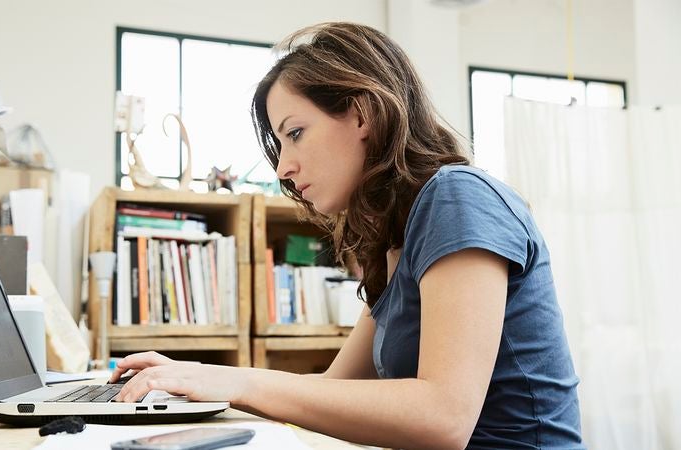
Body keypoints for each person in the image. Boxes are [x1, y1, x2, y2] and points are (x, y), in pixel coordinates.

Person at [112, 22, 584, 449]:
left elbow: (444, 418)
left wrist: (234, 380)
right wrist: (193, 384)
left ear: (363, 115)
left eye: (295, 133)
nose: (283, 167)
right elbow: (333, 390)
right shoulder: (395, 239)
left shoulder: (458, 197)